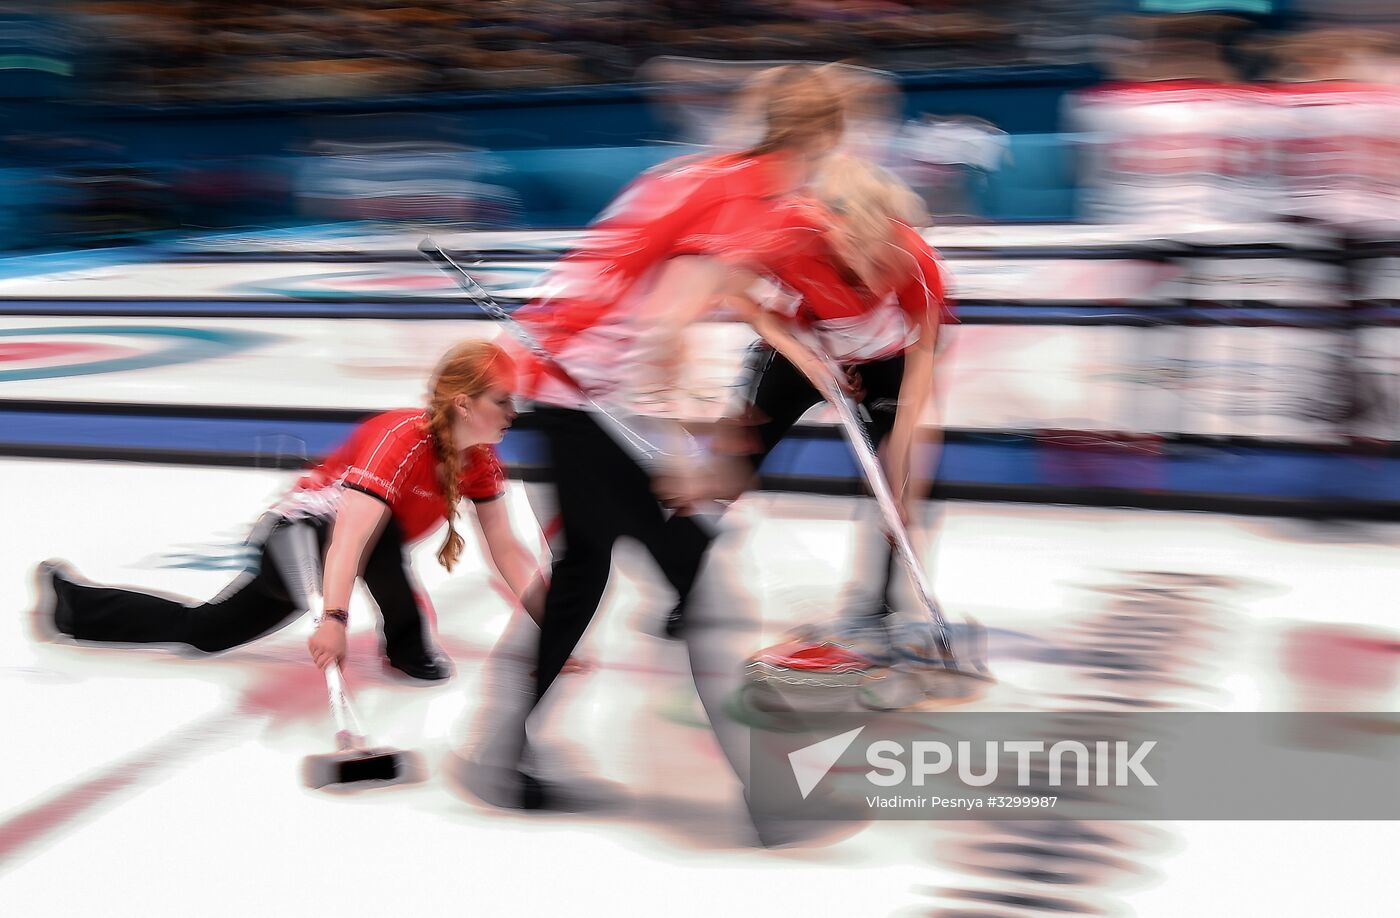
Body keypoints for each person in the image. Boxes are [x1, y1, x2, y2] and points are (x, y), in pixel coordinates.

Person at [461, 63, 845, 824]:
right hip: (590, 397)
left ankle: (502, 755)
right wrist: (677, 456)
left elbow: (697, 292)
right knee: (700, 581)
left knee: (583, 575)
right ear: (821, 137)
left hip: (565, 388)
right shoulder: (741, 197)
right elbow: (664, 329)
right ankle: (769, 795)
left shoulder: (717, 179)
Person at [33, 340, 545, 681]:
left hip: (351, 548)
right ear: (462, 403)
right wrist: (335, 619)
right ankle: (407, 646)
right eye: (502, 401)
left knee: (210, 633)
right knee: (343, 561)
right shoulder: (401, 439)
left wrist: (554, 625)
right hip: (299, 533)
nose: (513, 414)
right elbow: (348, 538)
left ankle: (75, 605)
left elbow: (506, 548)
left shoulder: (480, 463)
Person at [697, 153, 953, 637]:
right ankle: (681, 572)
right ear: (828, 225)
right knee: (735, 461)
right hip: (802, 350)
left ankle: (880, 604)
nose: (868, 275)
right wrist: (808, 359)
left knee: (901, 483)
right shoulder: (791, 232)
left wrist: (901, 456)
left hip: (883, 359)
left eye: (878, 257)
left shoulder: (916, 258)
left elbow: (923, 366)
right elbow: (731, 290)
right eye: (853, 252)